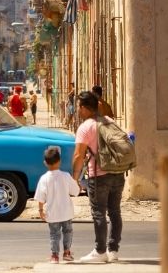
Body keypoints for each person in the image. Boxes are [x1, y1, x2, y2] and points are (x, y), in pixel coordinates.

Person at [72, 91, 124, 263]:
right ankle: (113, 250)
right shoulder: (110, 122)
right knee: (115, 212)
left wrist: (75, 178)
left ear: (86, 108)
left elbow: (79, 155)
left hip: (99, 176)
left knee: (99, 213)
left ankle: (100, 251)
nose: (78, 110)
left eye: (80, 107)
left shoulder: (85, 127)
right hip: (117, 174)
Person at [35, 146, 81, 264]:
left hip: (52, 213)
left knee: (54, 235)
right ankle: (67, 252)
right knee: (68, 232)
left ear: (45, 163)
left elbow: (41, 197)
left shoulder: (44, 178)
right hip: (66, 212)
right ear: (59, 161)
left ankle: (54, 256)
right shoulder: (66, 176)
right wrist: (79, 185)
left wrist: (41, 210)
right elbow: (75, 191)